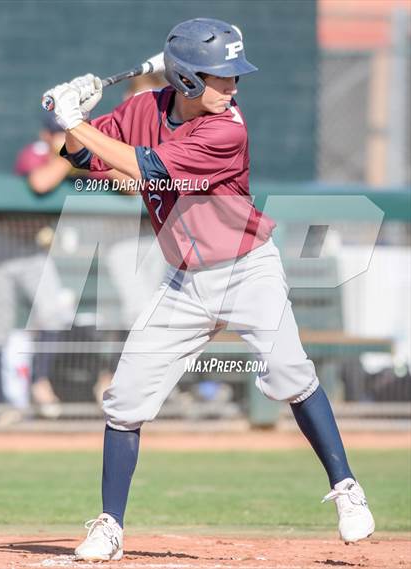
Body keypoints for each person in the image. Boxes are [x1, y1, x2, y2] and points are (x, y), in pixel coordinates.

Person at [44, 18, 375, 562]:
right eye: (221, 77)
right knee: (125, 400)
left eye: (233, 77)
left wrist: (75, 122)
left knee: (291, 374)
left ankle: (346, 488)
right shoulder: (143, 109)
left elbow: (147, 168)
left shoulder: (228, 129)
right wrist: (65, 119)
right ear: (188, 80)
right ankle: (109, 525)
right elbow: (86, 157)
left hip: (248, 269)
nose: (233, 86)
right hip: (183, 281)